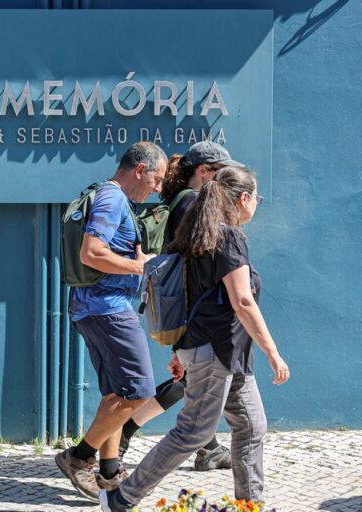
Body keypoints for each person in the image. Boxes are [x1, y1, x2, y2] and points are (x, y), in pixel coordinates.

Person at [100, 166, 291, 512]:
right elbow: (242, 301)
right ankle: (120, 498)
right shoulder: (228, 238)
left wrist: (180, 350)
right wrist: (273, 352)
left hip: (225, 353)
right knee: (193, 433)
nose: (256, 205)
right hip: (216, 352)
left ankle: (250, 506)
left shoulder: (201, 234)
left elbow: (192, 298)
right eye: (256, 199)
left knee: (251, 426)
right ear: (244, 198)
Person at [118, 141, 245, 471]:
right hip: (193, 306)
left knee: (193, 379)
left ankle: (207, 447)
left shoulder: (180, 201)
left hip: (183, 303)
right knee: (192, 378)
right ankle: (125, 431)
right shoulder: (191, 203)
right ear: (204, 172)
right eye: (221, 173)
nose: (226, 180)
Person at [55, 142, 168, 502]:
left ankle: (109, 473)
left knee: (117, 393)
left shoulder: (114, 198)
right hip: (108, 309)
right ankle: (79, 457)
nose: (158, 188)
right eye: (157, 179)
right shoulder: (112, 198)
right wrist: (139, 266)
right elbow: (91, 252)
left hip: (95, 308)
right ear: (140, 170)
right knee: (139, 391)